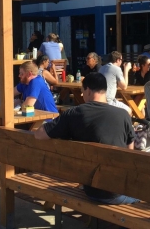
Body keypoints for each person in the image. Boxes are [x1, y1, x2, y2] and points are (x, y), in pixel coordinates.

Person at [34, 73, 138, 205]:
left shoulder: (74, 113)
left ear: (88, 90)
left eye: (82, 91)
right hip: (116, 192)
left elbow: (39, 134)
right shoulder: (123, 115)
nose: (82, 95)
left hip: (91, 190)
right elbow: (131, 153)